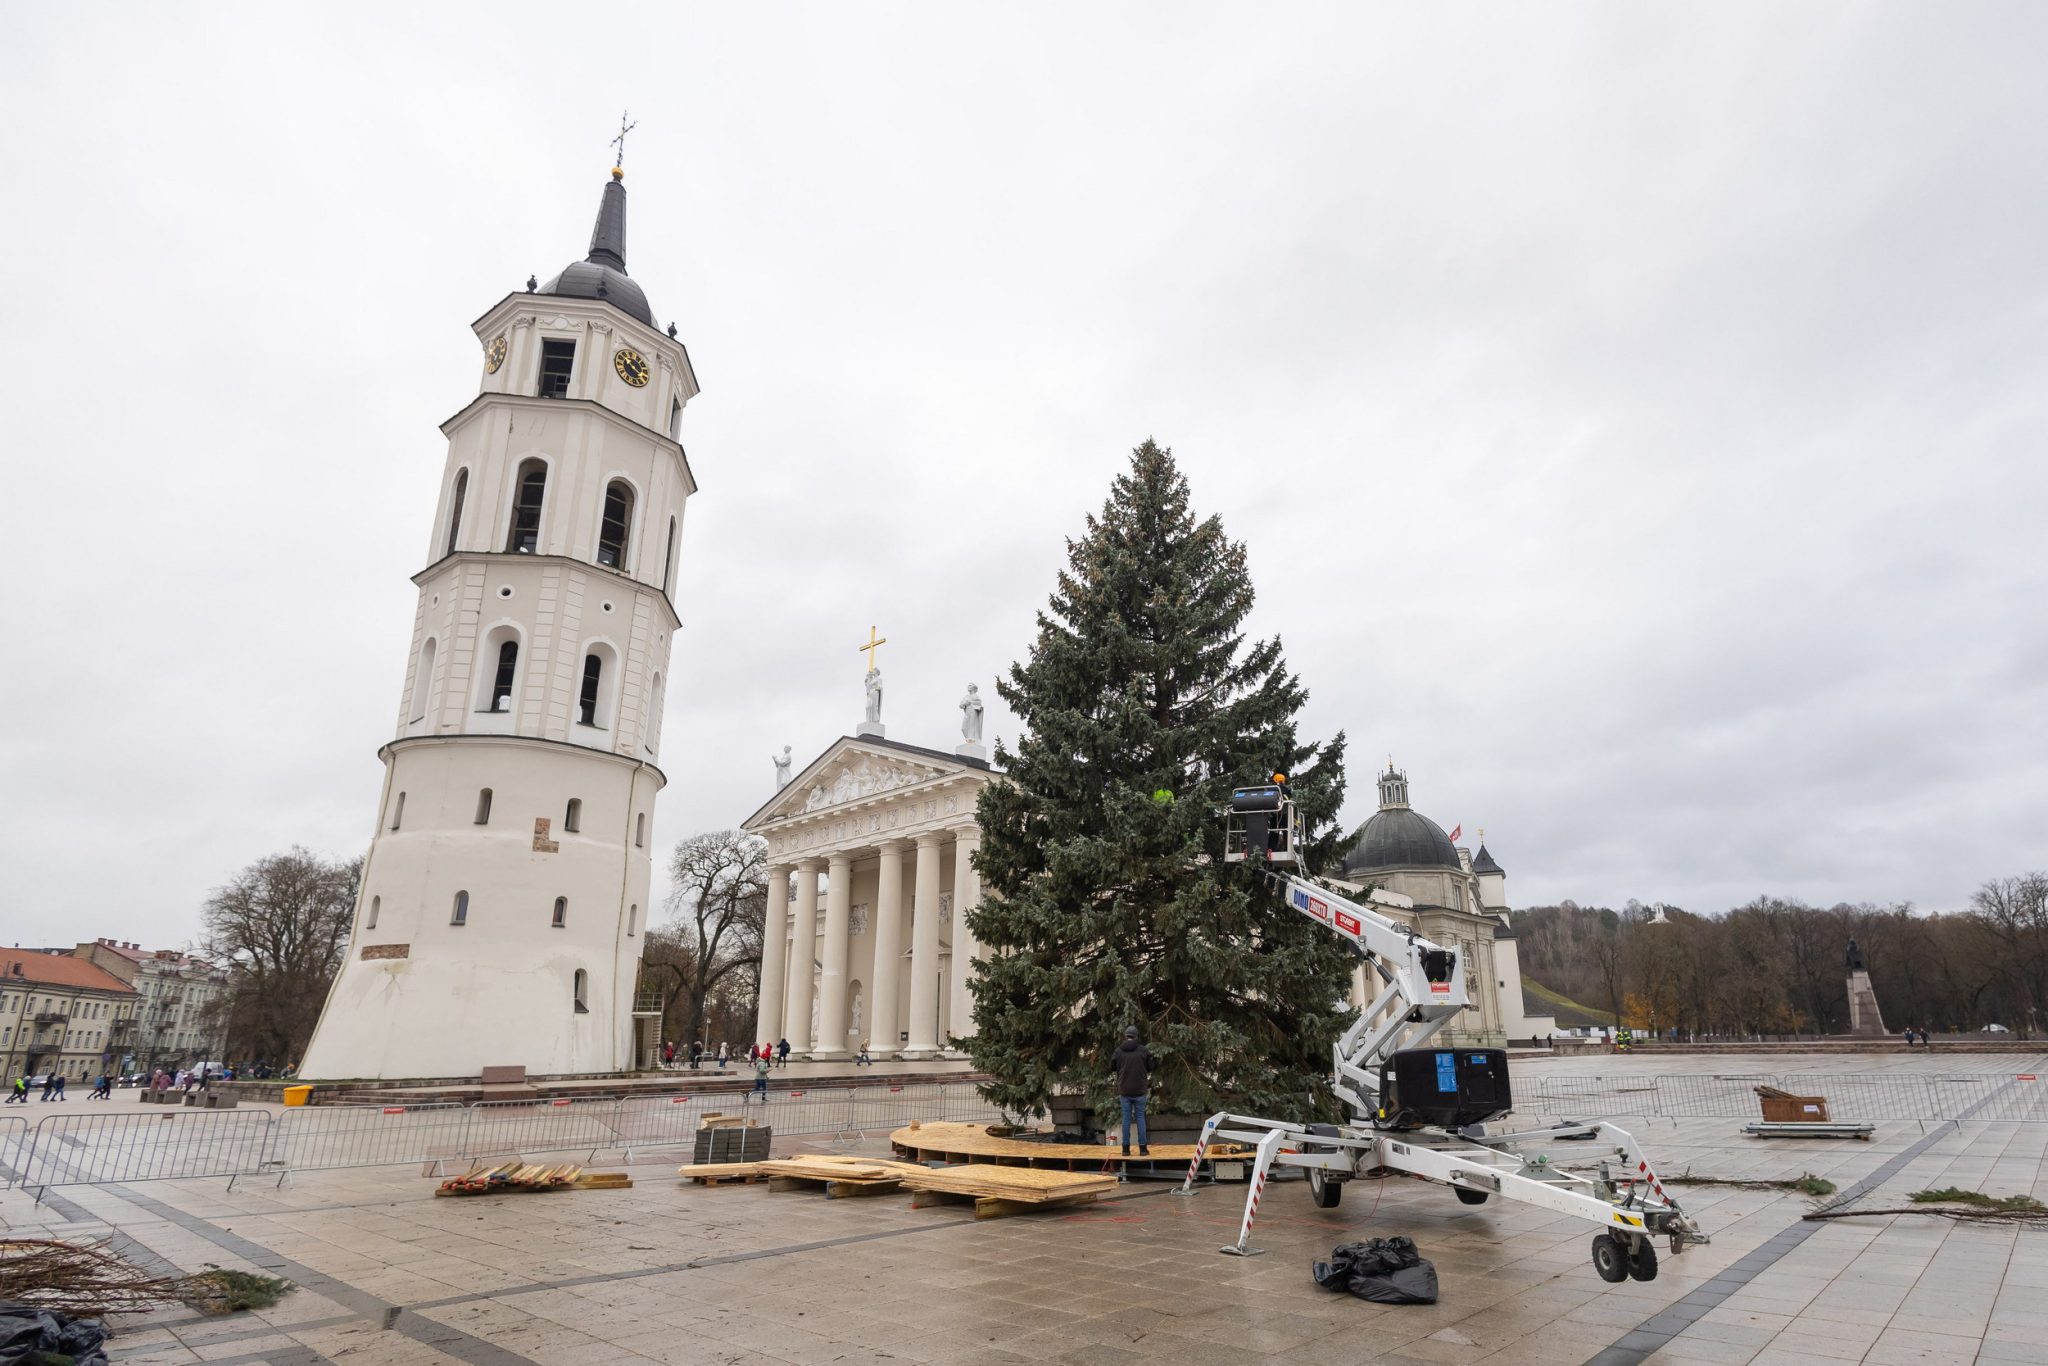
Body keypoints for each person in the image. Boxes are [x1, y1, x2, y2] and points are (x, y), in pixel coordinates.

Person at [1111, 1026, 1154, 1158]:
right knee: (1140, 1118)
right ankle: (1143, 1149)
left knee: (1126, 1119)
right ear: (1136, 1036)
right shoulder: (1143, 1050)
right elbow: (1151, 1067)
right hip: (1140, 1090)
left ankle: (1125, 1149)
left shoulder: (1118, 1051)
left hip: (1124, 1090)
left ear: (1126, 1036)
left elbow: (1112, 1067)